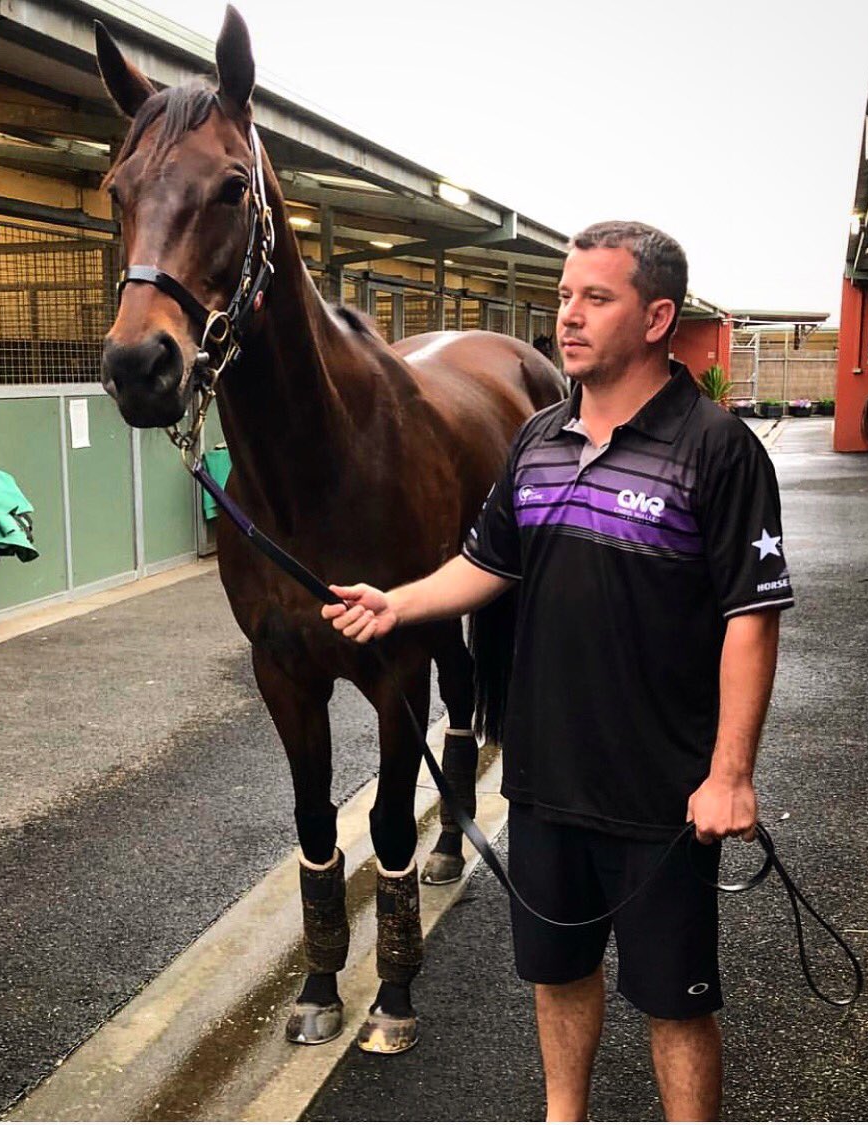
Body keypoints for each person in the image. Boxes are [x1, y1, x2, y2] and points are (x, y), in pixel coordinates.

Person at [322, 220, 793, 1121]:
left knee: (674, 1000)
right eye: (564, 295)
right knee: (557, 974)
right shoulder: (538, 439)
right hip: (543, 781)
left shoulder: (717, 449)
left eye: (594, 298)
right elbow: (486, 564)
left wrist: (730, 773)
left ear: (656, 317)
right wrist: (397, 601)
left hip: (663, 793)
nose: (566, 316)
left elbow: (750, 617)